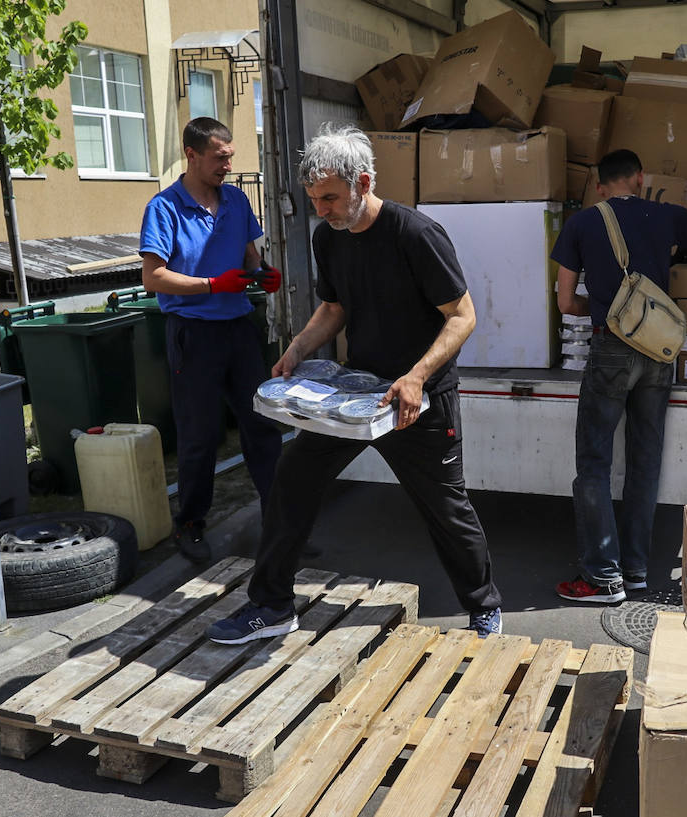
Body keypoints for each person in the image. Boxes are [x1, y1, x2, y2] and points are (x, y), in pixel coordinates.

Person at [205, 124, 503, 643]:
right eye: (314, 199)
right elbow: (335, 307)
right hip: (358, 395)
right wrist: (298, 348)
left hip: (418, 401)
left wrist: (416, 376)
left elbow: (462, 315)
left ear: (363, 182)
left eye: (329, 197)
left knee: (446, 508)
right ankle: (272, 606)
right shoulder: (331, 237)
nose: (321, 209)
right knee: (291, 483)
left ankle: (483, 608)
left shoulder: (416, 234)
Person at [550, 149, 687, 604]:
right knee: (644, 461)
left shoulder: (581, 223)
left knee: (594, 465)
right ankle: (635, 571)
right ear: (639, 178)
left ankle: (602, 579)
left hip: (611, 348)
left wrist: (601, 309)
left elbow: (564, 302)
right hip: (659, 349)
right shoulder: (666, 214)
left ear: (599, 186)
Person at [139, 117, 283, 564]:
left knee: (262, 423)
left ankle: (280, 519)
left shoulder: (237, 200)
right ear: (192, 154)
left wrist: (264, 275)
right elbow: (153, 277)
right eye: (220, 158)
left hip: (238, 328)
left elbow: (250, 256)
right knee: (200, 435)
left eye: (230, 157)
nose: (227, 165)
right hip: (193, 333)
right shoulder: (163, 208)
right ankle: (191, 524)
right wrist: (210, 285)